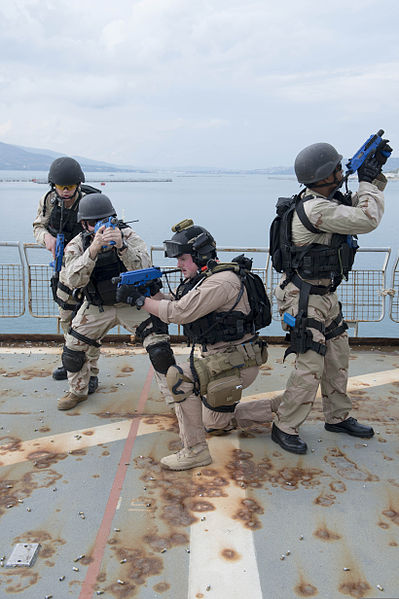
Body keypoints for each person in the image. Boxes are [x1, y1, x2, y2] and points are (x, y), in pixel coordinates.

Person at [116, 219, 280, 471]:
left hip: (236, 363)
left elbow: (180, 312)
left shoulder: (220, 282)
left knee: (178, 377)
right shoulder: (205, 277)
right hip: (226, 360)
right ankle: (277, 408)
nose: (178, 265)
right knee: (214, 422)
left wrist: (139, 300)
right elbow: (178, 303)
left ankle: (194, 451)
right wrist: (153, 294)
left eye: (183, 259)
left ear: (199, 255)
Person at [270, 137, 392, 454]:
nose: (340, 171)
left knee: (337, 356)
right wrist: (366, 181)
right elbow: (367, 218)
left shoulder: (327, 201)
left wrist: (374, 177)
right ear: (323, 176)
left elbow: (358, 205)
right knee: (310, 364)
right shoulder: (317, 209)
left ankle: (337, 417)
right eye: (336, 168)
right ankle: (284, 426)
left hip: (324, 293)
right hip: (304, 297)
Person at [57, 193, 175, 411]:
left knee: (159, 350)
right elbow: (72, 279)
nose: (100, 227)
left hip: (133, 303)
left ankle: (176, 400)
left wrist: (122, 248)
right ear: (84, 225)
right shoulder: (79, 244)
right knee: (73, 350)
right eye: (93, 223)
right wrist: (92, 250)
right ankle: (78, 390)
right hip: (97, 306)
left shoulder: (129, 236)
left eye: (104, 220)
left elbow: (145, 268)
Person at [33, 156, 100, 392]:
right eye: (61, 187)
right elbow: (38, 226)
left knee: (89, 324)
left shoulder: (91, 203)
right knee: (66, 318)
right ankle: (72, 363)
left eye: (69, 187)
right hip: (63, 270)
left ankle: (91, 371)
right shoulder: (49, 201)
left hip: (88, 270)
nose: (65, 192)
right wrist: (47, 239)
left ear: (78, 185)